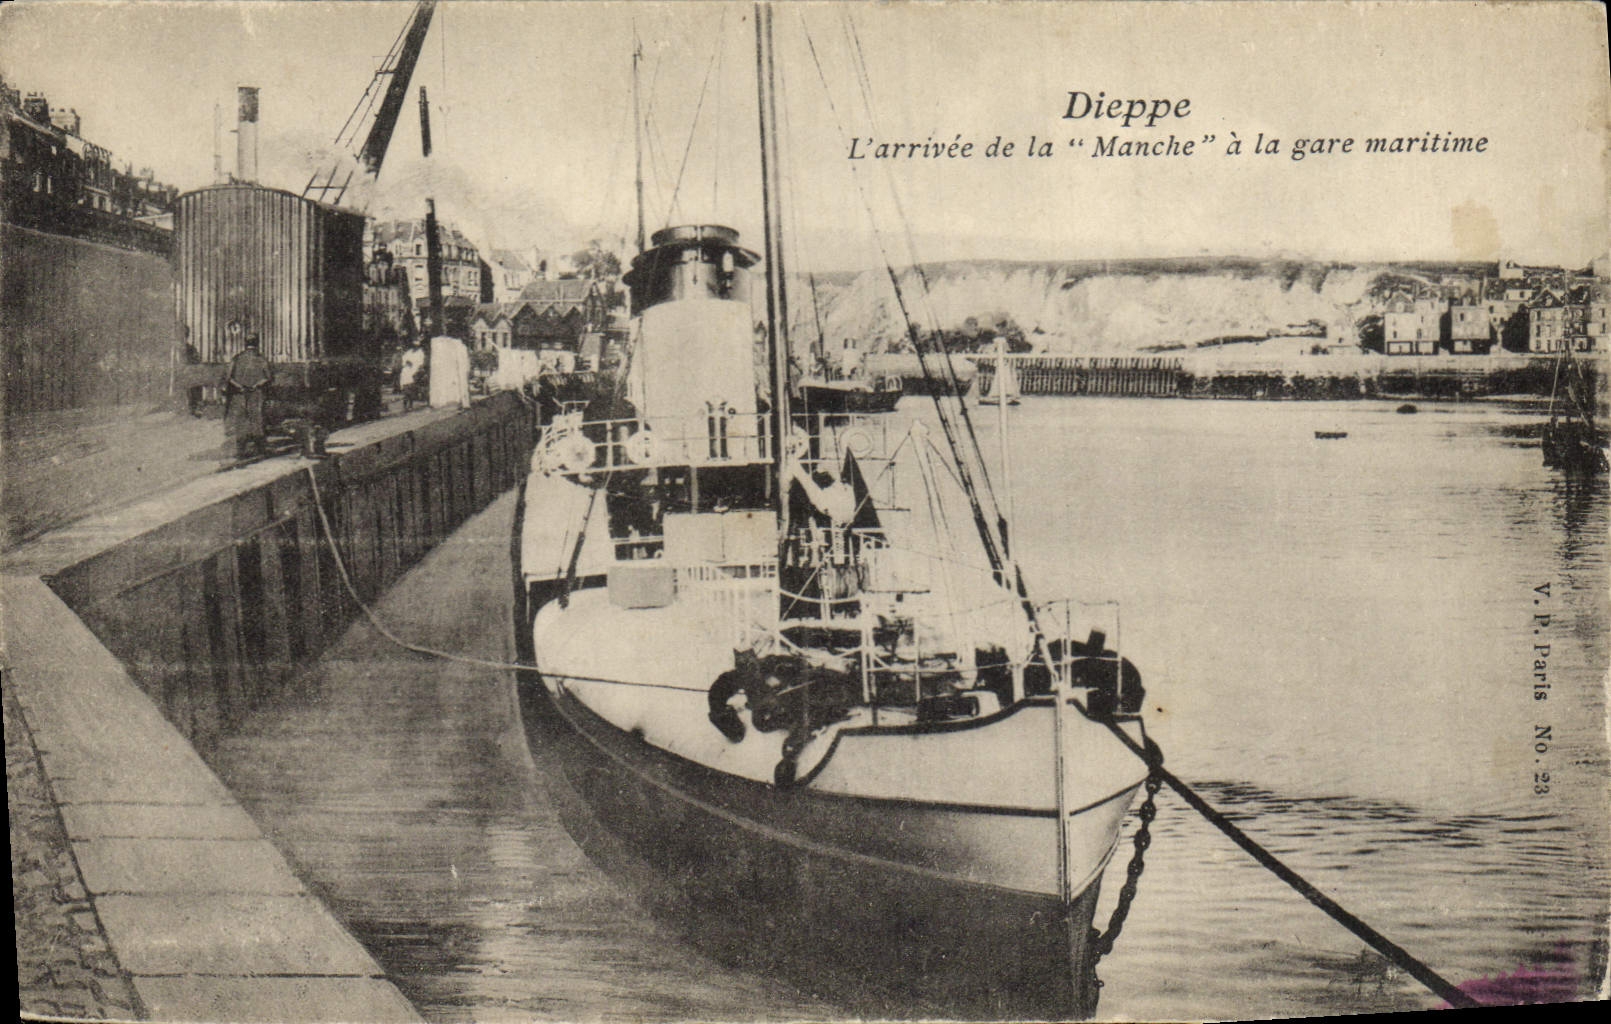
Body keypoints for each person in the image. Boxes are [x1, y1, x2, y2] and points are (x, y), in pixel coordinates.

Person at [224, 334, 273, 459]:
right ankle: (260, 450)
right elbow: (268, 377)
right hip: (256, 393)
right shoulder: (261, 359)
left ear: (245, 344)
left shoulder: (236, 358)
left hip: (240, 393)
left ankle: (241, 450)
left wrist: (240, 386)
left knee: (241, 420)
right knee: (256, 419)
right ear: (257, 344)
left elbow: (228, 377)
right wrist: (256, 385)